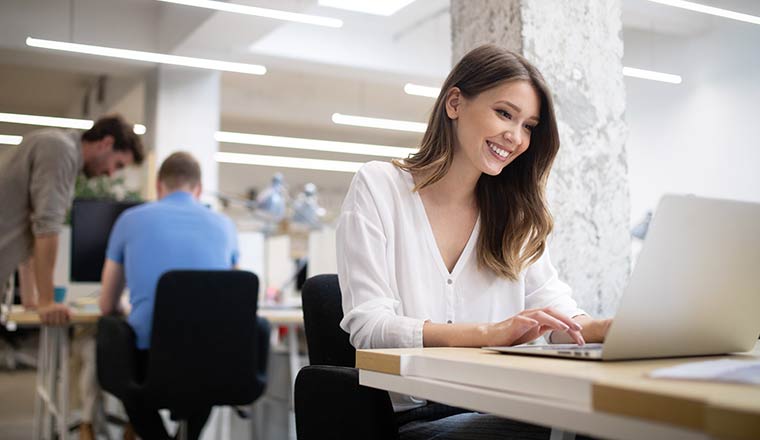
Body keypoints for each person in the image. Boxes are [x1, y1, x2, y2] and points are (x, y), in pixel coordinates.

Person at [336, 44, 612, 439]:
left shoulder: (514, 213)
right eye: (504, 113)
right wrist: (489, 333)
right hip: (415, 418)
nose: (516, 137)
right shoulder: (379, 186)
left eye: (529, 126)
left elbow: (557, 317)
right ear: (454, 103)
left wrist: (614, 329)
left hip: (501, 403)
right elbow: (369, 326)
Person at [98, 151, 239, 440]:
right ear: (198, 190)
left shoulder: (129, 220)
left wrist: (130, 308)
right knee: (207, 373)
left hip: (148, 360)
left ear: (159, 186)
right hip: (211, 358)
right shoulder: (226, 225)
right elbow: (233, 297)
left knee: (126, 368)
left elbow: (106, 304)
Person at [0, 115, 145, 325]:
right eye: (118, 164)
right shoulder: (60, 150)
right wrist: (47, 301)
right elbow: (46, 227)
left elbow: (32, 228)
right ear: (106, 143)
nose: (111, 174)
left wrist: (32, 300)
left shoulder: (56, 147)